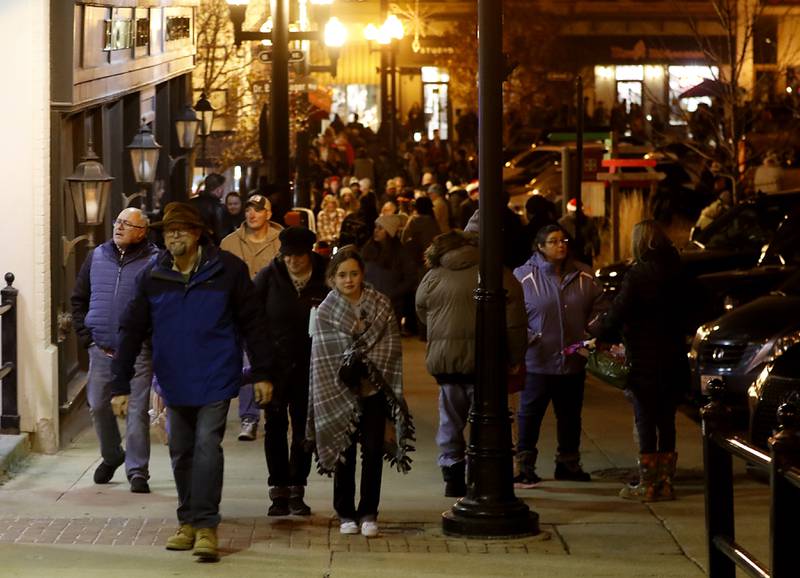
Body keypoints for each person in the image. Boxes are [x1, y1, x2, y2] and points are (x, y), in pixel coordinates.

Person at [109, 202, 273, 562]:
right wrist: (119, 385)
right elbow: (132, 331)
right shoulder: (153, 277)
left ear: (198, 233)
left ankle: (206, 527)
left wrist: (262, 372)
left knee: (205, 447)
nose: (174, 236)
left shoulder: (228, 271)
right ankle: (187, 522)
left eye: (182, 229)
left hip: (216, 376)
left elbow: (253, 323)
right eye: (169, 231)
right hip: (174, 378)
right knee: (180, 450)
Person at [306, 246, 415, 538]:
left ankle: (369, 512)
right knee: (344, 451)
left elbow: (391, 347)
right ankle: (345, 512)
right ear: (332, 278)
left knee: (373, 450)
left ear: (363, 274)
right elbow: (323, 355)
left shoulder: (381, 304)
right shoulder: (326, 311)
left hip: (374, 391)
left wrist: (365, 361)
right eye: (342, 275)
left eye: (354, 273)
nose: (349, 280)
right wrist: (350, 360)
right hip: (338, 391)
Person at [415, 230, 527, 497]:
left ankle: (452, 472)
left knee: (450, 418)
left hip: (447, 363)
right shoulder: (496, 272)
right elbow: (515, 321)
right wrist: (515, 356)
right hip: (485, 362)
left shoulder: (433, 275)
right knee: (487, 420)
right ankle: (483, 474)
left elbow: (421, 309)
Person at [591, 220, 689, 501]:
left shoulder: (638, 274)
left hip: (645, 357)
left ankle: (647, 483)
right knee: (667, 419)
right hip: (672, 354)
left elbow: (619, 311)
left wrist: (597, 332)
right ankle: (666, 482)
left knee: (645, 417)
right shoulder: (677, 271)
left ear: (640, 242)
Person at [71, 208, 158, 494]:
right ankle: (112, 455)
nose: (119, 227)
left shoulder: (154, 261)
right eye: (117, 222)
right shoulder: (97, 256)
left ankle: (137, 471)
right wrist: (87, 337)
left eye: (127, 224)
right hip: (101, 349)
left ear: (142, 231)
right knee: (97, 405)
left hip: (138, 352)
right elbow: (78, 298)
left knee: (136, 411)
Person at [513, 224, 603, 485]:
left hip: (573, 359)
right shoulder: (523, 277)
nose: (560, 245)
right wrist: (530, 338)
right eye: (553, 241)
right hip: (537, 361)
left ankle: (568, 463)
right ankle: (525, 465)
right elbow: (514, 315)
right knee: (530, 414)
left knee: (570, 415)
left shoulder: (584, 275)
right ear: (540, 247)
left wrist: (589, 334)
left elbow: (600, 308)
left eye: (563, 240)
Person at [253, 227, 330, 517]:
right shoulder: (268, 277)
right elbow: (253, 318)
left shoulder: (326, 276)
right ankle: (278, 491)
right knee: (274, 427)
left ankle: (297, 487)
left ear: (309, 253)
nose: (293, 261)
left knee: (303, 428)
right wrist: (260, 362)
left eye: (298, 255)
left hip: (312, 366)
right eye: (288, 256)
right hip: (275, 366)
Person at [221, 193, 282, 441]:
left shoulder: (281, 242)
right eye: (248, 209)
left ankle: (274, 411)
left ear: (269, 213)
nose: (252, 214)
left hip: (272, 314)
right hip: (240, 314)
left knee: (273, 362)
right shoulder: (229, 243)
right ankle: (249, 417)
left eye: (258, 209)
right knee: (247, 364)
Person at [362, 214, 418, 325]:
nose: (376, 231)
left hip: (391, 305)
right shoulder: (368, 250)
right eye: (375, 227)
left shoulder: (400, 254)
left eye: (380, 228)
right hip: (368, 303)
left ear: (389, 231)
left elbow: (411, 278)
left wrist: (392, 293)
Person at [558, 198, 601, 267]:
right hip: (576, 254)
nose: (574, 214)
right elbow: (595, 239)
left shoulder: (562, 223)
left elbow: (595, 238)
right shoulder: (563, 223)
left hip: (580, 254)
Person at [189, 172, 227, 244]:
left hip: (192, 245)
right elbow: (221, 235)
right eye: (223, 187)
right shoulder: (218, 207)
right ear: (218, 189)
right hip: (211, 248)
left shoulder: (191, 203)